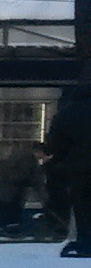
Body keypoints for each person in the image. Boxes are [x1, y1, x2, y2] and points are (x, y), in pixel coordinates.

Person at [46, 84, 91, 256]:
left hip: (79, 170)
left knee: (83, 206)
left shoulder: (67, 114)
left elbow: (54, 145)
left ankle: (86, 242)